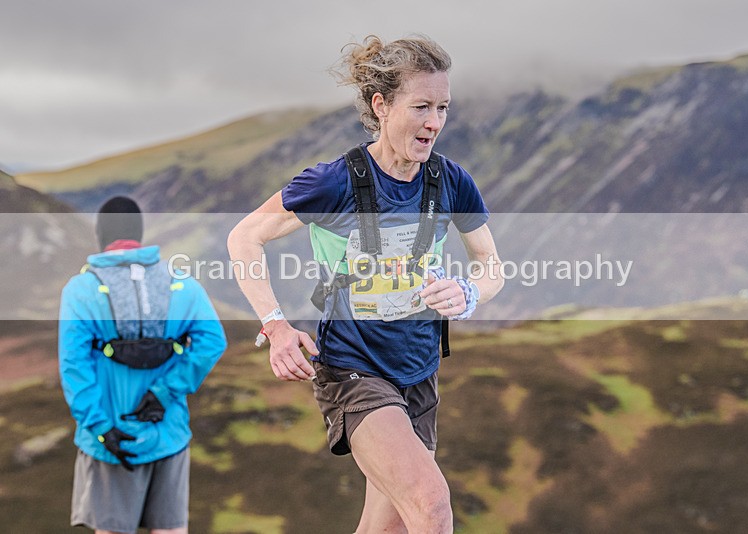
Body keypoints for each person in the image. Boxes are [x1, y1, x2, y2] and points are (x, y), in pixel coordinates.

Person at [228, 35, 503, 533]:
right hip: (353, 370)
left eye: (443, 107)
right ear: (381, 105)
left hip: (418, 371)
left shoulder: (451, 181)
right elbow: (245, 237)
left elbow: (491, 265)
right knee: (431, 503)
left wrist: (467, 294)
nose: (434, 122)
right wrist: (276, 326)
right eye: (421, 106)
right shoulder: (336, 181)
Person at [59, 196, 227, 534]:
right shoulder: (183, 283)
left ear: (100, 234)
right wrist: (165, 391)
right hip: (168, 433)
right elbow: (213, 340)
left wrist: (101, 429)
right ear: (139, 232)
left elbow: (74, 366)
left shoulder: (80, 290)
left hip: (110, 440)